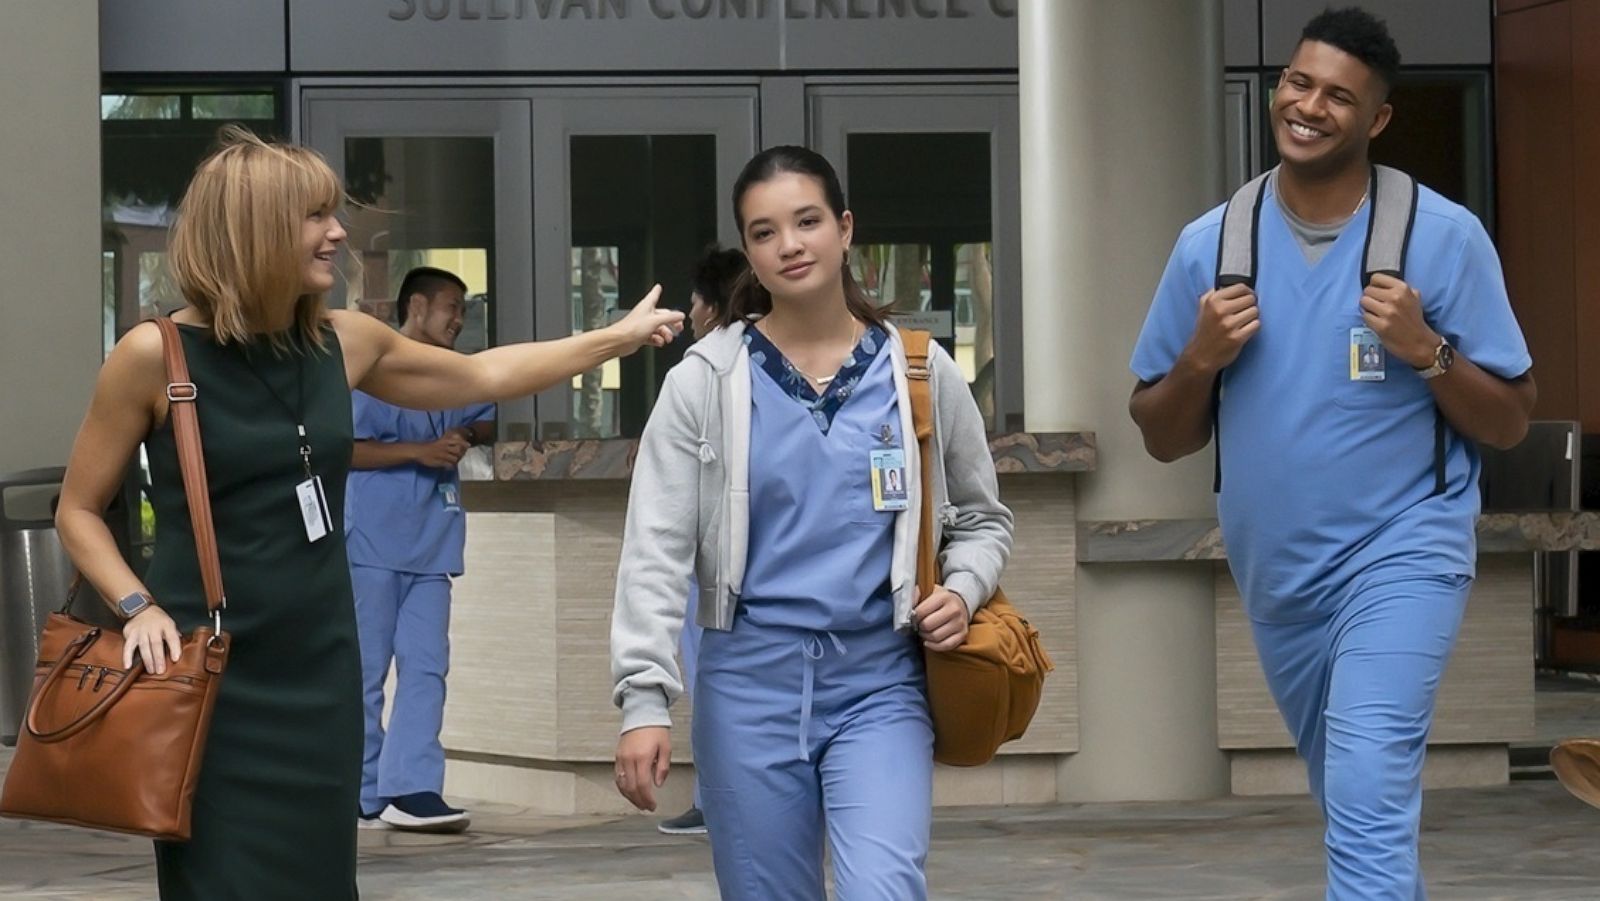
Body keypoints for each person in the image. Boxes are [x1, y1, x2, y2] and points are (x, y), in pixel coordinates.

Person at [52, 126, 681, 900]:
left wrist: (612, 339)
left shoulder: (344, 342)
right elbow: (78, 509)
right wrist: (136, 604)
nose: (340, 232)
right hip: (204, 678)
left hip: (318, 675)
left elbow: (484, 370)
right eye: (315, 216)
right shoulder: (153, 356)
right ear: (251, 230)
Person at [1128, 8, 1534, 900]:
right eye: (1298, 84)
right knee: (1358, 806)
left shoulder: (1443, 237)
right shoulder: (1214, 245)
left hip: (1403, 554)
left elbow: (1508, 420)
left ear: (1377, 119)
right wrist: (1198, 360)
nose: (1309, 107)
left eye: (1339, 96)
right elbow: (1162, 434)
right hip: (1280, 578)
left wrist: (1427, 347)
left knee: (1362, 792)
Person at [610, 145, 1013, 900]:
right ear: (749, 253)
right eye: (763, 233)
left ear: (845, 228)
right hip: (748, 686)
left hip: (880, 682)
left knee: (884, 887)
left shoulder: (919, 372)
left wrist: (961, 589)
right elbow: (654, 551)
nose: (789, 244)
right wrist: (644, 699)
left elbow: (985, 520)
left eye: (806, 221)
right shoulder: (705, 382)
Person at [345, 266, 494, 833]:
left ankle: (413, 787)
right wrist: (420, 452)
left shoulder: (454, 375)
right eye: (450, 307)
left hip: (432, 545)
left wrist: (466, 436)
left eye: (461, 310)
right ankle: (361, 791)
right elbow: (347, 450)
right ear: (416, 306)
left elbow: (485, 413)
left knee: (428, 667)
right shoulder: (372, 372)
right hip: (373, 542)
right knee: (365, 671)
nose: (459, 319)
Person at [658, 245, 749, 837]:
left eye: (694, 300)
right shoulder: (701, 376)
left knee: (711, 678)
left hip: (720, 573)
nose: (689, 312)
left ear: (713, 307)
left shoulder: (706, 371)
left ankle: (715, 800)